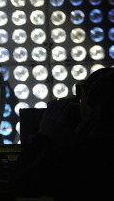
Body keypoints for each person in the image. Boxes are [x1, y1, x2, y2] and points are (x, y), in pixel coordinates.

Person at [10, 66, 114, 199]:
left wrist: (44, 136)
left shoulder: (72, 159)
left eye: (81, 99)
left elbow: (19, 185)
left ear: (92, 107)